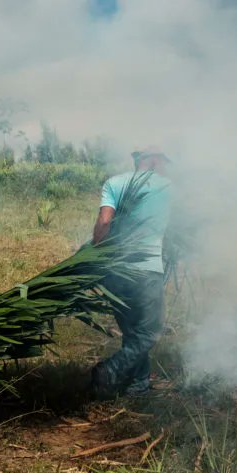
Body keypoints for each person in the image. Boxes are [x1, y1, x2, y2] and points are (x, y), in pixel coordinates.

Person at [90, 147, 172, 397]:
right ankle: (110, 369)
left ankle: (138, 385)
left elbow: (104, 222)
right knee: (149, 333)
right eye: (166, 161)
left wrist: (95, 254)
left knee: (132, 332)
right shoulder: (169, 186)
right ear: (156, 160)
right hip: (146, 270)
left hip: (116, 270)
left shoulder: (114, 182)